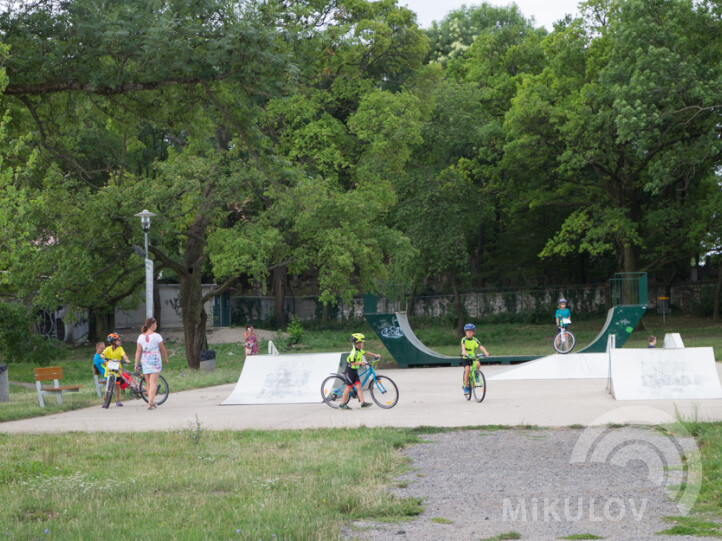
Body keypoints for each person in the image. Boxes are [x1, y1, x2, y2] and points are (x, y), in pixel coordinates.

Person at [134, 317, 169, 410]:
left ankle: (152, 401)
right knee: (153, 383)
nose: (156, 326)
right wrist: (165, 358)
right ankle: (150, 403)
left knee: (149, 383)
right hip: (155, 360)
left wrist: (136, 363)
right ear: (152, 325)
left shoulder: (140, 337)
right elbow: (162, 349)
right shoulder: (157, 336)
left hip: (145, 360)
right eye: (156, 324)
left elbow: (138, 351)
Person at [339, 333, 380, 410]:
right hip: (350, 371)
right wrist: (360, 363)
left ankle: (362, 403)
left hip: (354, 371)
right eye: (361, 342)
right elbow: (351, 362)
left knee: (359, 386)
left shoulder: (359, 350)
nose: (363, 344)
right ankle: (342, 404)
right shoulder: (354, 352)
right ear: (357, 344)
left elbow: (366, 353)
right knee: (349, 387)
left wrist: (375, 355)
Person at [101, 333, 131, 407]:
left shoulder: (120, 349)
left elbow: (124, 355)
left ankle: (118, 401)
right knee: (108, 386)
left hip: (117, 372)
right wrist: (103, 357)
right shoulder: (107, 349)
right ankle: (105, 401)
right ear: (113, 341)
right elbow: (102, 354)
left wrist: (126, 360)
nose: (120, 341)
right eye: (118, 340)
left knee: (117, 386)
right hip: (110, 371)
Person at [460, 324, 490, 394]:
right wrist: (464, 351)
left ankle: (476, 374)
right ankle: (466, 386)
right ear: (465, 333)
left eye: (470, 332)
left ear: (473, 333)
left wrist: (485, 352)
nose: (469, 333)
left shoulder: (475, 340)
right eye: (467, 332)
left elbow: (480, 346)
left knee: (478, 364)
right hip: (465, 356)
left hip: (472, 356)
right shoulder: (464, 339)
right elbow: (463, 346)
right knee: (467, 369)